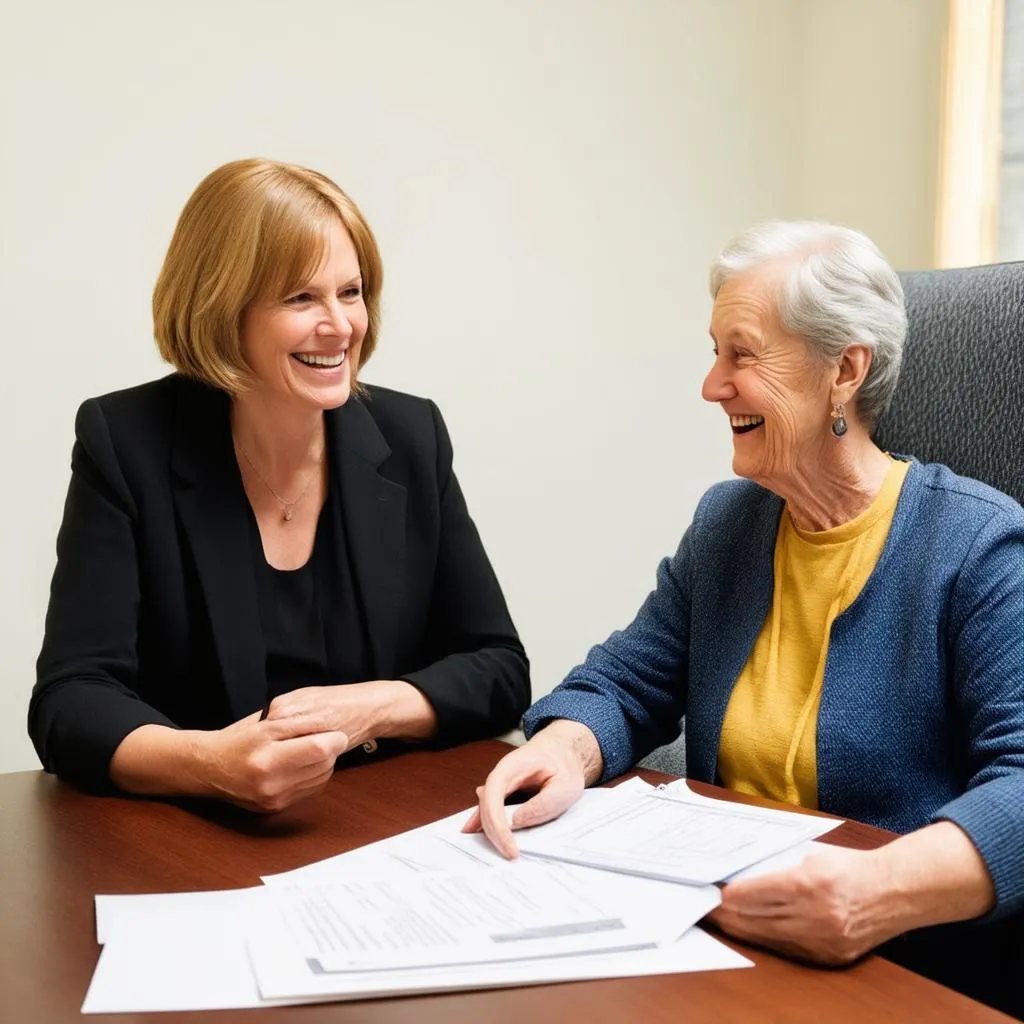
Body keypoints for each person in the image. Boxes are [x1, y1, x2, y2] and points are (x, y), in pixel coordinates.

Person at [467, 222, 1023, 1012]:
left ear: (845, 371)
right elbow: (623, 682)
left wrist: (878, 888)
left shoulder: (977, 546)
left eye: (742, 354)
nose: (711, 384)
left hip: (906, 973)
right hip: (724, 944)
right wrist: (563, 750)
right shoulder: (731, 523)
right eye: (714, 351)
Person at [30, 158, 529, 812]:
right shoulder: (126, 441)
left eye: (350, 293)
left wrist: (369, 708)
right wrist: (205, 763)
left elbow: (498, 667)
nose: (340, 326)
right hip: (191, 838)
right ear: (221, 306)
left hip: (379, 829)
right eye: (301, 298)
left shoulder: (412, 435)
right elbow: (71, 697)